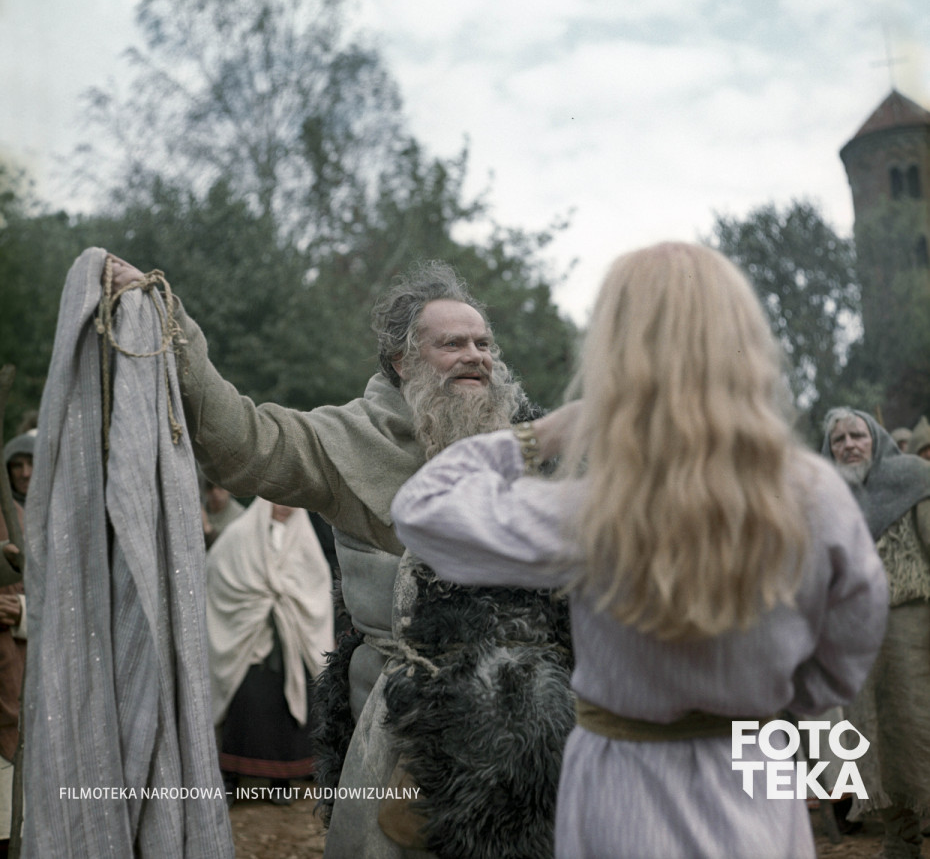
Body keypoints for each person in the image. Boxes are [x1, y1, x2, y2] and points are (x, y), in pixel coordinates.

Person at [391, 242, 889, 859]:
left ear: (616, 353)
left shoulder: (598, 512)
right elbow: (848, 645)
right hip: (758, 768)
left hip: (624, 782)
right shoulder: (818, 495)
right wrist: (774, 699)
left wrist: (539, 436)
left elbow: (423, 507)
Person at [105, 256, 536, 857]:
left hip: (524, 720)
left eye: (483, 343)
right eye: (453, 343)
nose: (476, 356)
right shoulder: (346, 441)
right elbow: (242, 443)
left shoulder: (527, 444)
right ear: (402, 360)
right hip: (400, 722)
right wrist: (169, 323)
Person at [823, 406, 930, 858]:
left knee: (918, 727)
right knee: (870, 739)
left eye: (857, 435)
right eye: (838, 440)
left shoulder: (913, 479)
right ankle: (899, 840)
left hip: (912, 629)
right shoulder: (826, 501)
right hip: (855, 640)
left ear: (876, 439)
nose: (849, 445)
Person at [207, 499, 334, 805]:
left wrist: (286, 600)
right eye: (277, 499)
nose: (283, 507)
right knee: (245, 701)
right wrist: (260, 600)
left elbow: (317, 587)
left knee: (286, 706)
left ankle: (281, 779)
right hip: (250, 641)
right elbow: (218, 574)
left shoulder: (305, 539)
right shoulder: (239, 534)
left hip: (290, 641)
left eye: (290, 502)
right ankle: (231, 776)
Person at [0, 435, 31, 858]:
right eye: (16, 465)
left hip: (14, 690)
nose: (25, 474)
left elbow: (67, 607)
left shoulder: (22, 520)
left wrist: (22, 611)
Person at [201, 479, 245, 549]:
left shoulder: (240, 515)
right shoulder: (199, 512)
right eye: (210, 487)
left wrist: (207, 527)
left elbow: (230, 547)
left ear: (228, 489)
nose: (215, 492)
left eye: (220, 487)